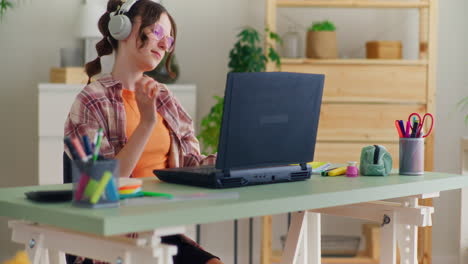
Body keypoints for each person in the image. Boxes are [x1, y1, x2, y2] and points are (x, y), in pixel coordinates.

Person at [64, 0, 221, 263]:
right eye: (157, 32)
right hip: (110, 241)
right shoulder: (91, 100)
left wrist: (234, 161)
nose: (163, 44)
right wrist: (147, 123)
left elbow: (192, 165)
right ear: (122, 28)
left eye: (169, 40)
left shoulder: (165, 98)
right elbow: (99, 189)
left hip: (160, 233)